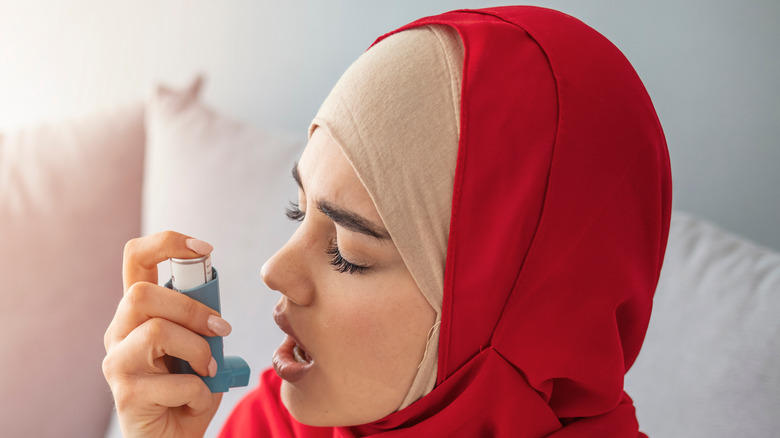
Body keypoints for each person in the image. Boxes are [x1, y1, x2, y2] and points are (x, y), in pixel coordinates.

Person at [103, 6, 672, 437]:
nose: (275, 270)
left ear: (526, 311)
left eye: (349, 250)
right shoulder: (275, 424)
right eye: (297, 212)